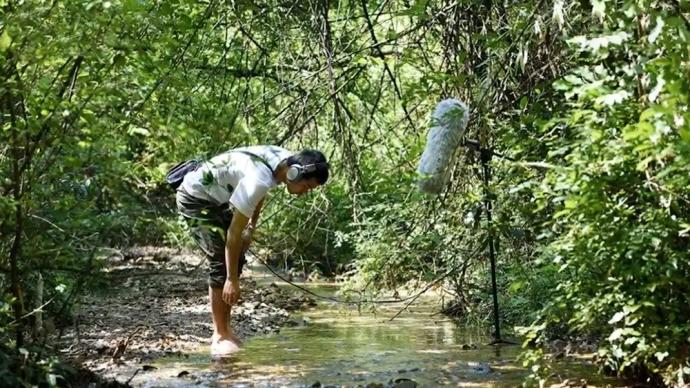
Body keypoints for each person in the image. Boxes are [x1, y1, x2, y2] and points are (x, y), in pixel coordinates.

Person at [175, 145, 329, 356]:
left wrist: (251, 228)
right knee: (221, 263)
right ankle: (219, 335)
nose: (305, 192)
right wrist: (231, 280)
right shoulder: (259, 178)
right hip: (194, 198)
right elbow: (233, 234)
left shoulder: (281, 161)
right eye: (307, 186)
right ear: (295, 173)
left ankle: (226, 330)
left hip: (216, 199)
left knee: (235, 259)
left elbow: (258, 196)